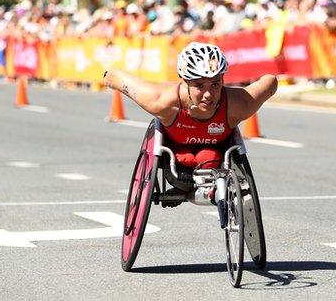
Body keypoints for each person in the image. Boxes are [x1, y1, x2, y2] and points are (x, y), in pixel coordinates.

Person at [103, 42, 278, 200]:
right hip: (175, 159)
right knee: (184, 173)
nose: (208, 95)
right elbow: (115, 77)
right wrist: (107, 77)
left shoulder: (239, 104)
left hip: (216, 155)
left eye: (215, 84)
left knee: (209, 157)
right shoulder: (161, 102)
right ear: (185, 82)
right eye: (199, 86)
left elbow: (270, 82)